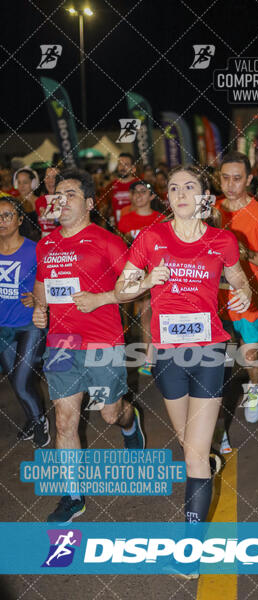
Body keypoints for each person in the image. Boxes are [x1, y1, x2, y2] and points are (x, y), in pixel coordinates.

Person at [115, 165, 251, 527]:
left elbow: (240, 280)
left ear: (204, 196)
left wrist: (244, 294)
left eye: (189, 187)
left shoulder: (222, 240)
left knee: (192, 458)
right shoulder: (150, 238)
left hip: (209, 350)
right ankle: (207, 463)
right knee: (188, 445)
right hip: (168, 355)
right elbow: (121, 291)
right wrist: (145, 280)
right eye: (174, 188)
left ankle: (190, 544)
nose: (181, 194)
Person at [32, 168, 144, 524]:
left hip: (103, 341)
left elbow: (135, 285)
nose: (61, 202)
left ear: (90, 203)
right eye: (57, 195)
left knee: (110, 413)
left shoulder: (107, 241)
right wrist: (39, 307)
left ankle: (130, 422)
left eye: (71, 195)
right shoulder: (45, 244)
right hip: (61, 342)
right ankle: (73, 497)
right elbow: (41, 283)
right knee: (65, 421)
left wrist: (102, 298)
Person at [216, 151, 258, 427]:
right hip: (215, 297)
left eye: (237, 179)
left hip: (247, 297)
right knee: (219, 356)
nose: (230, 185)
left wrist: (243, 253)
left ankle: (255, 389)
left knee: (249, 353)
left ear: (249, 179)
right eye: (225, 178)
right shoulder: (212, 210)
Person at [0, 196, 49, 447]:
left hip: (29, 326)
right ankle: (33, 418)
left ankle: (40, 423)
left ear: (19, 219)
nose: (2, 221)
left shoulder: (34, 250)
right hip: (3, 329)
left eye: (7, 215)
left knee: (20, 382)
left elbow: (50, 285)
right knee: (16, 381)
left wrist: (37, 297)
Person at [118, 180, 163, 373]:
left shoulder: (161, 218)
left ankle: (155, 355)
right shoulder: (125, 220)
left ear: (152, 196)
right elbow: (121, 248)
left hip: (157, 272)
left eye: (143, 192)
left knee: (154, 314)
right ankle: (148, 356)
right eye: (135, 192)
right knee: (143, 313)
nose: (139, 195)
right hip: (134, 273)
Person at [102, 153, 139, 226]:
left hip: (137, 229)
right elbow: (105, 209)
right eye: (120, 164)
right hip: (118, 230)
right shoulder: (111, 186)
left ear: (132, 167)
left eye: (126, 164)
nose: (123, 167)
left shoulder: (140, 185)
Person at [13, 167, 41, 241]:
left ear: (33, 183)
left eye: (25, 182)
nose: (21, 186)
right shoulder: (12, 203)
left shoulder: (42, 202)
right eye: (19, 182)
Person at [35, 166, 60, 237]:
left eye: (54, 177)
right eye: (47, 177)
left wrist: (54, 220)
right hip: (45, 242)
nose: (50, 181)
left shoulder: (66, 200)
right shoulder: (39, 201)